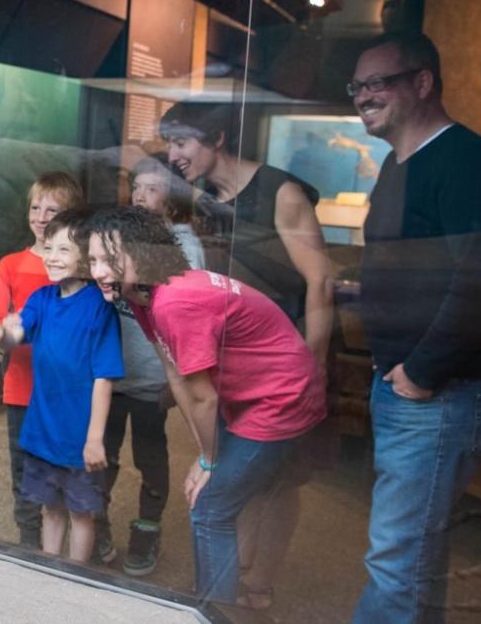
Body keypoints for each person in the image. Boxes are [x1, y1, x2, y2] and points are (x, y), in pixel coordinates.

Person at [350, 31, 481, 623]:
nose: (363, 97)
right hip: (405, 386)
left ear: (422, 83)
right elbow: (420, 269)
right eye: (357, 86)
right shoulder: (398, 167)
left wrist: (420, 373)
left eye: (378, 83)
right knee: (412, 555)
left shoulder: (469, 163)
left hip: (437, 391)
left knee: (397, 560)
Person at [86, 206, 326, 604]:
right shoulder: (143, 293)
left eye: (110, 259)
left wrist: (211, 462)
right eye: (93, 259)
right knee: (218, 496)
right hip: (251, 393)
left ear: (144, 255)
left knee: (210, 508)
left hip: (281, 397)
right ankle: (221, 596)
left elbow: (202, 396)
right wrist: (205, 454)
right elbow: (176, 373)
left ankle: (212, 610)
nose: (98, 271)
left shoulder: (173, 300)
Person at [160, 100, 335, 609]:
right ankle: (234, 585)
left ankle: (257, 586)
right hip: (239, 358)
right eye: (169, 143)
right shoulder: (203, 197)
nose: (173, 155)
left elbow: (321, 280)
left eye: (181, 142)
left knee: (281, 479)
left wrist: (312, 365)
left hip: (292, 356)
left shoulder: (280, 192)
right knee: (243, 474)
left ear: (216, 139)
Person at [0, 209, 123, 562]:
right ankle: (50, 573)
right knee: (50, 508)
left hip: (78, 437)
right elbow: (17, 330)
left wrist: (94, 440)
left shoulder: (99, 308)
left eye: (63, 250)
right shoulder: (42, 299)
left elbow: (104, 377)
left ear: (86, 259)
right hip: (42, 431)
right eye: (48, 248)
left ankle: (74, 577)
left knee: (81, 513)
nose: (52, 257)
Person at [93, 156, 205, 575]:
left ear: (173, 197)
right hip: (112, 375)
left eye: (152, 188)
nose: (140, 195)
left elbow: (189, 316)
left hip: (151, 380)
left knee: (150, 455)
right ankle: (96, 521)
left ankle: (147, 528)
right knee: (101, 452)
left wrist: (173, 380)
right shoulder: (122, 235)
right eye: (136, 186)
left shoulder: (181, 244)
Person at [0, 171, 84, 548]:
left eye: (51, 209)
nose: (40, 217)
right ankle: (28, 542)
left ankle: (86, 538)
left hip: (68, 391)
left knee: (69, 470)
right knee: (23, 469)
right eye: (35, 208)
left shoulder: (78, 269)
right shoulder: (9, 265)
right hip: (22, 386)